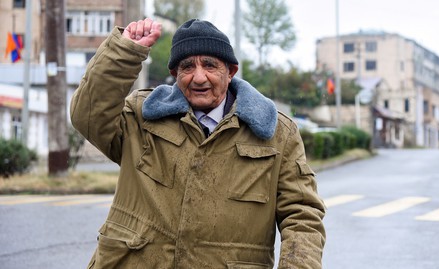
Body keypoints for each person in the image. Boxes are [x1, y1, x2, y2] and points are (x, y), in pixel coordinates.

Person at [71, 17, 326, 269]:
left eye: (210, 65)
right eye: (187, 67)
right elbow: (88, 116)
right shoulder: (143, 116)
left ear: (230, 72)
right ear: (175, 74)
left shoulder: (277, 133)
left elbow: (302, 214)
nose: (199, 77)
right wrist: (123, 52)